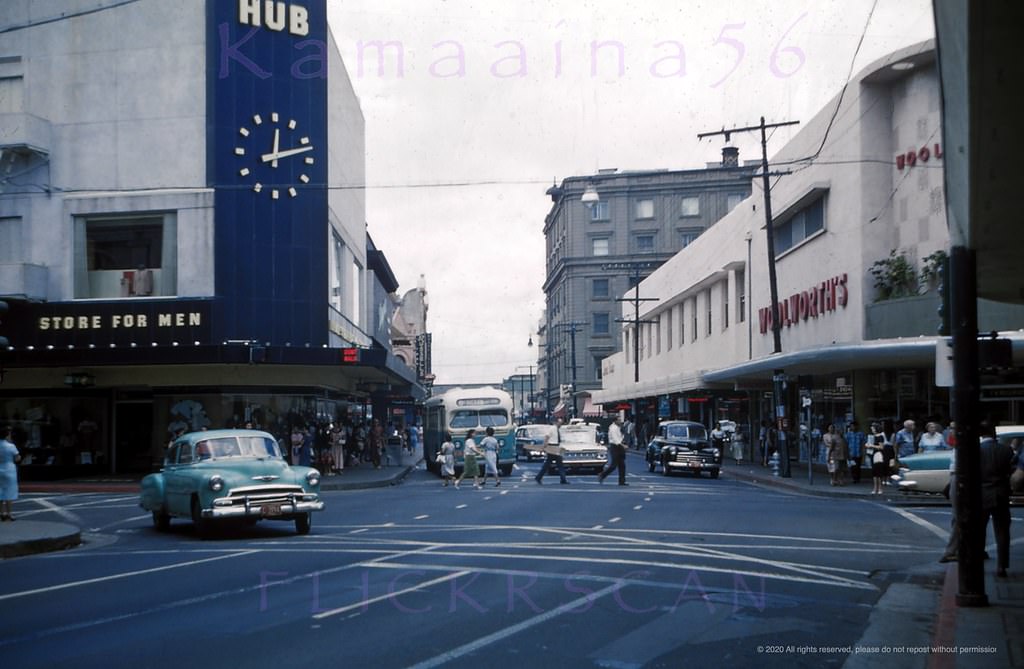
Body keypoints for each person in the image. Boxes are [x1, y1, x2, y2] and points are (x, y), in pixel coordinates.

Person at [979, 423, 1013, 577]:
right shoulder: (1006, 450)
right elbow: (1011, 471)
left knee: (979, 528)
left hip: (982, 492)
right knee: (1002, 531)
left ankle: (979, 554)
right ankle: (1002, 565)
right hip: (1000, 492)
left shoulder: (977, 450)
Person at [536, 420, 568, 485]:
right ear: (556, 422)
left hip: (556, 446)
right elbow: (547, 437)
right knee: (558, 464)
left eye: (561, 423)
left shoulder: (558, 429)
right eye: (560, 423)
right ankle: (563, 479)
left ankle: (539, 477)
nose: (560, 425)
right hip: (552, 446)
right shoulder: (552, 428)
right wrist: (544, 446)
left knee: (549, 464)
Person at [599, 414, 628, 486]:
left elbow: (620, 437)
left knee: (622, 465)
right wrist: (623, 445)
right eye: (619, 420)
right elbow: (615, 439)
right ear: (615, 421)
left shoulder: (618, 427)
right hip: (615, 447)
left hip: (619, 446)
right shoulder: (613, 428)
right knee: (613, 465)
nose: (620, 421)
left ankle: (622, 481)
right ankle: (602, 475)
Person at [0, 426, 19, 521]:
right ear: (7, 435)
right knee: (9, 492)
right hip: (9, 469)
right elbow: (17, 458)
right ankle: (9, 514)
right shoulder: (11, 446)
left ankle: (1, 513)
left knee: (0, 492)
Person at [866, 423, 886, 495]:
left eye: (873, 428)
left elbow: (881, 447)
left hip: (878, 454)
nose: (872, 429)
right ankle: (875, 488)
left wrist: (872, 446)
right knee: (874, 472)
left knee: (878, 472)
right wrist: (867, 445)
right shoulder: (872, 437)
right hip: (872, 454)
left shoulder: (880, 436)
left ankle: (880, 488)